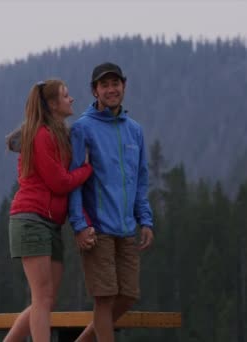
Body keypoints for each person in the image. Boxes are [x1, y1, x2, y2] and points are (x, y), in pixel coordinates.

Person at [68, 62, 155, 342]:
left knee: (128, 295)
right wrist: (79, 225)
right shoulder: (82, 128)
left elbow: (140, 179)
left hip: (127, 227)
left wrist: (146, 220)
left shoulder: (135, 131)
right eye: (104, 85)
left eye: (115, 83)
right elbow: (73, 180)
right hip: (97, 228)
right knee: (104, 299)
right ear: (95, 91)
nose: (111, 89)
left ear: (124, 86)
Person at [3, 79, 95, 342]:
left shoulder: (57, 134)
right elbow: (59, 182)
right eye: (66, 95)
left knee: (46, 298)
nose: (71, 99)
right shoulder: (42, 135)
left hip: (50, 223)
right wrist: (87, 169)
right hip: (32, 220)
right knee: (42, 297)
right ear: (53, 104)